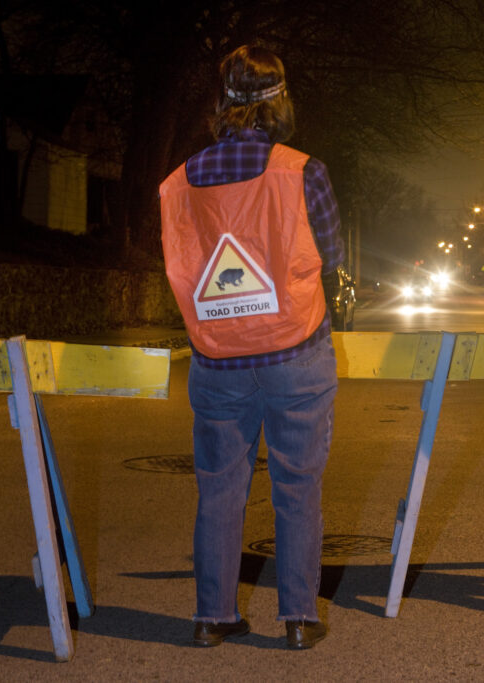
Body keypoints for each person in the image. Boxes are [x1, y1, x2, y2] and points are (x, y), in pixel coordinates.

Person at [159, 45, 343, 649]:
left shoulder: (180, 181)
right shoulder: (300, 169)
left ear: (222, 102)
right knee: (297, 485)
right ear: (280, 99)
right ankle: (297, 618)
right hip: (295, 352)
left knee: (218, 486)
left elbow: (184, 268)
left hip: (216, 358)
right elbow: (332, 255)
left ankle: (212, 617)